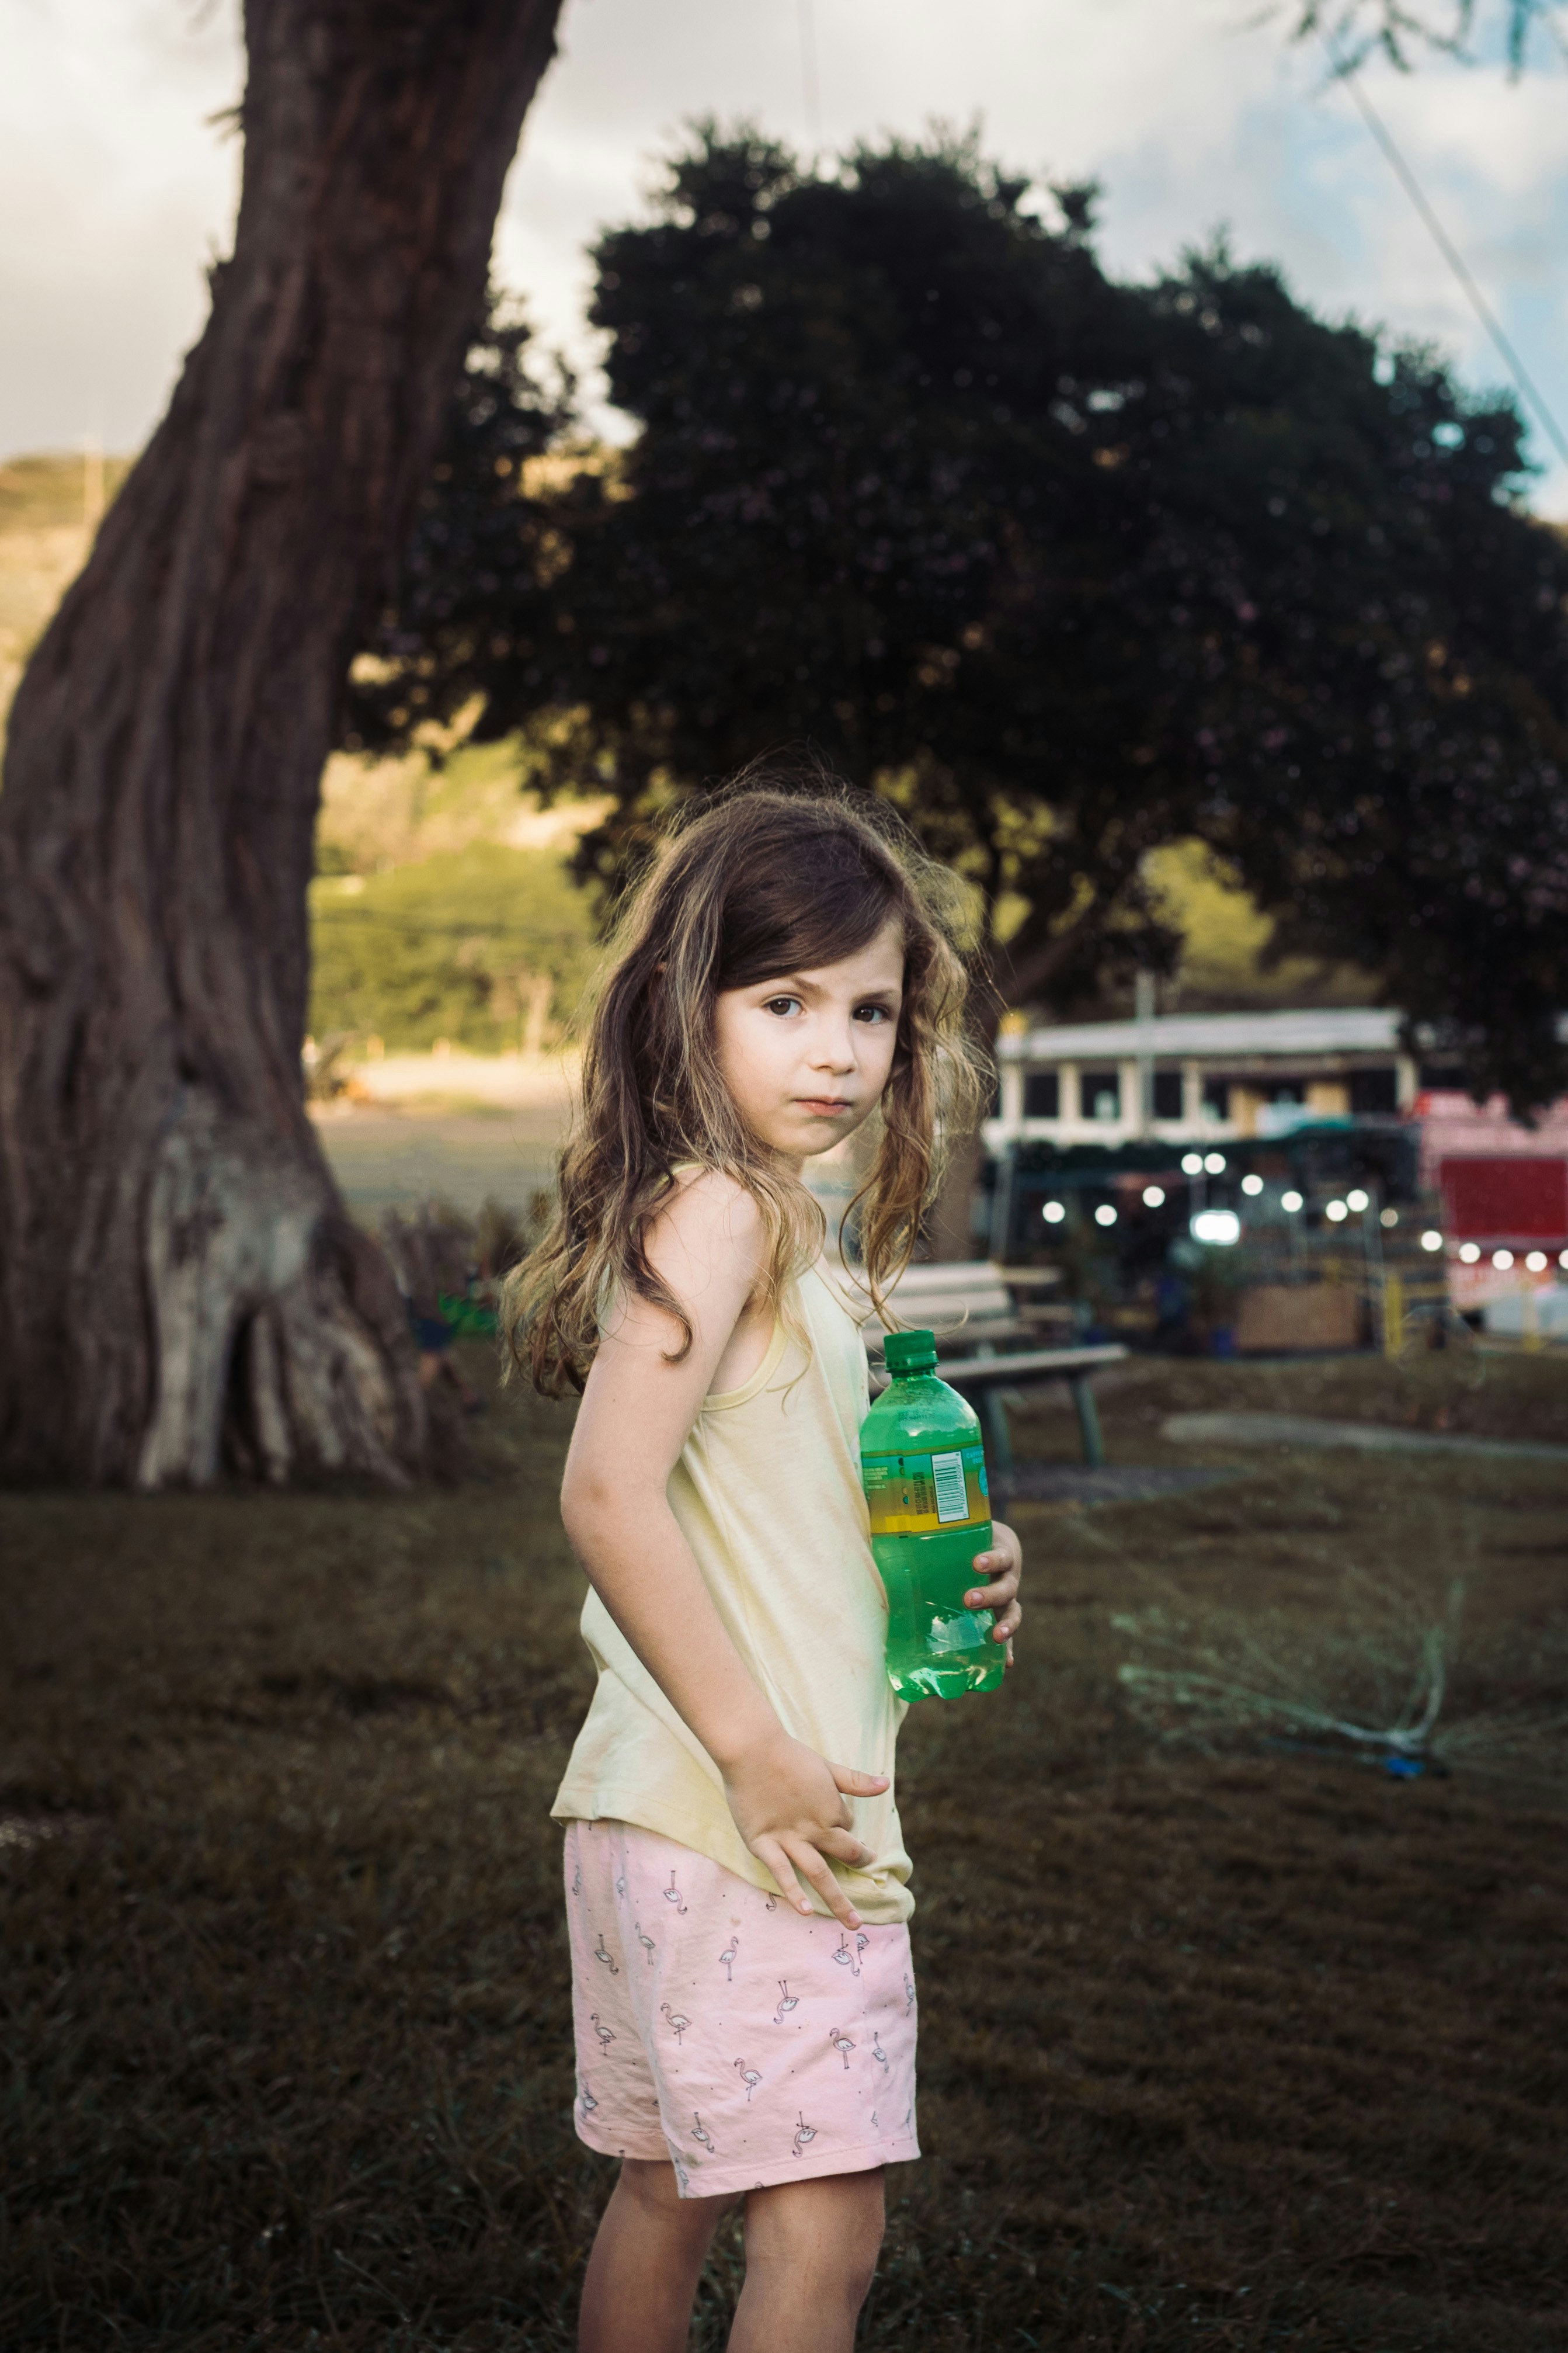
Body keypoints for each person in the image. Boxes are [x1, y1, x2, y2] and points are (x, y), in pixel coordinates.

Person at [503, 783, 1025, 2353]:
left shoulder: (775, 1228)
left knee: (669, 2190)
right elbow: (608, 1492)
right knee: (828, 2221)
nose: (837, 1049)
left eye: (871, 1009)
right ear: (692, 1002)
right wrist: (757, 1750)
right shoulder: (729, 1210)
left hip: (653, 1815)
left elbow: (778, 1496)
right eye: (786, 1000)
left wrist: (965, 1554)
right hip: (757, 1823)